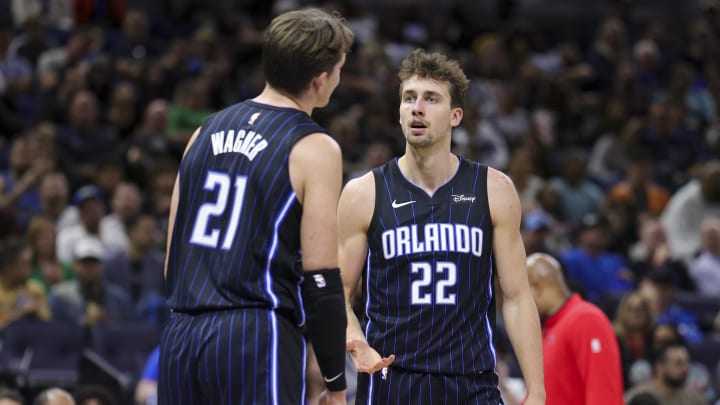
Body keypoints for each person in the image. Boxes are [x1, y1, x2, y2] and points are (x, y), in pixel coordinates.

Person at [159, 8, 354, 405]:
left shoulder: (202, 131)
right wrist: (335, 382)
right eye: (338, 70)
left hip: (181, 333)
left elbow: (171, 263)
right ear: (320, 80)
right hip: (254, 333)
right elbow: (321, 281)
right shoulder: (315, 148)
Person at [338, 49, 545, 404]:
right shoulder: (363, 192)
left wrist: (537, 389)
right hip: (391, 379)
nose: (417, 108)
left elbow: (516, 296)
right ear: (400, 111)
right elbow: (336, 292)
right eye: (409, 98)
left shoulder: (494, 189)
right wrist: (356, 341)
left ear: (455, 116)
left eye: (431, 99)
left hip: (470, 381)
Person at [526, 253, 624, 405]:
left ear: (537, 287)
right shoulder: (550, 328)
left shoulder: (585, 319)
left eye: (522, 293)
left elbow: (604, 393)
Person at [624, 341, 706, 405]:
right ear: (659, 366)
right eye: (678, 364)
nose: (684, 369)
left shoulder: (695, 399)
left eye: (686, 363)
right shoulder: (637, 398)